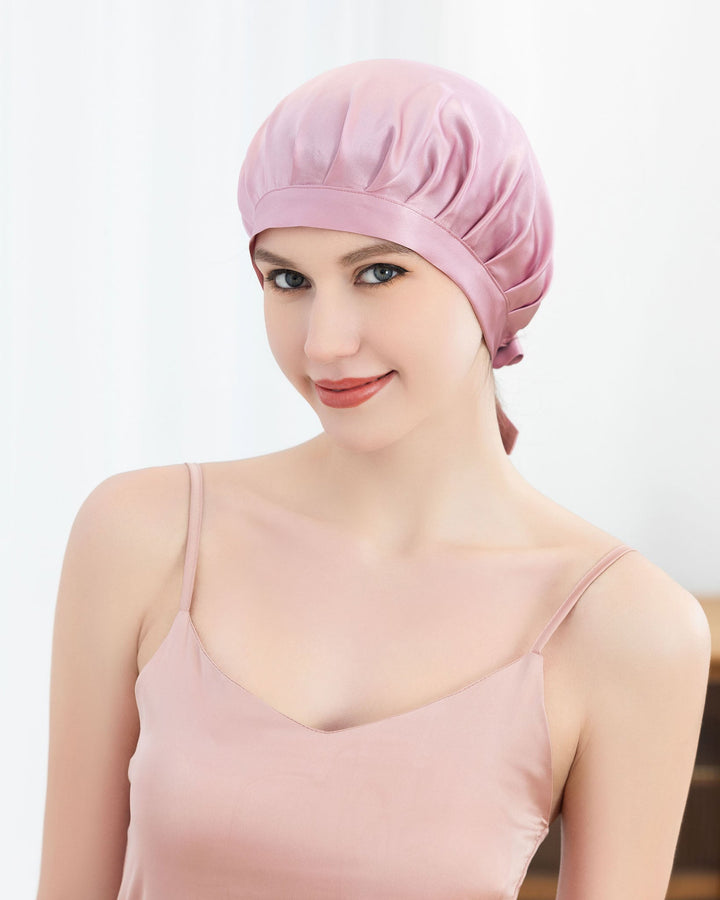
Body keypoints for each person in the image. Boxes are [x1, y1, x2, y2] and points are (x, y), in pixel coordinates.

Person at [36, 59, 711, 900]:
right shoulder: (145, 534)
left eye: (379, 273)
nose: (323, 341)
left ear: (490, 281)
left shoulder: (625, 625)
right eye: (288, 280)